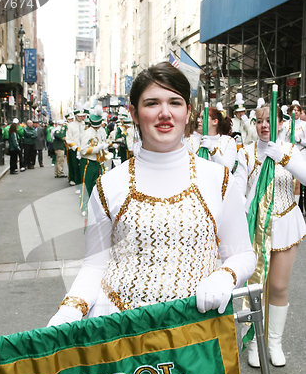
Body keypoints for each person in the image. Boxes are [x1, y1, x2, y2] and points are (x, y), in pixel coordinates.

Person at [48, 61, 256, 329]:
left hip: (196, 335)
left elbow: (242, 254)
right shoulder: (108, 185)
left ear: (188, 111)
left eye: (175, 102)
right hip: (123, 333)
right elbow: (94, 266)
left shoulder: (217, 179)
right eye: (152, 103)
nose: (165, 113)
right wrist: (71, 307)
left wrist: (225, 276)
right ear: (134, 113)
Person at [234, 103, 306, 367]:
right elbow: (239, 186)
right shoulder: (247, 153)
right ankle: (255, 342)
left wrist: (283, 158)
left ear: (280, 123)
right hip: (256, 229)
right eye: (260, 121)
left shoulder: (291, 151)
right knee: (256, 289)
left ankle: (274, 342)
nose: (264, 125)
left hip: (286, 223)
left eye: (269, 120)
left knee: (277, 286)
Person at [79, 105, 109, 217]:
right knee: (86, 186)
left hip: (97, 161)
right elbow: (83, 150)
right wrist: (98, 148)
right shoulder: (87, 133)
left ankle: (95, 206)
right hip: (88, 162)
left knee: (96, 186)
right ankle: (84, 207)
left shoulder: (99, 131)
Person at [189, 106, 237, 171]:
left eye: (203, 118)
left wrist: (213, 151)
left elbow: (227, 168)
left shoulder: (228, 141)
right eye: (199, 117)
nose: (198, 120)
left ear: (215, 121)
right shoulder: (192, 140)